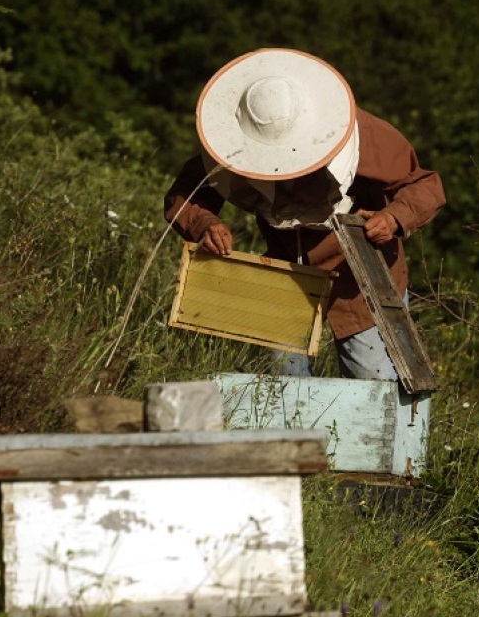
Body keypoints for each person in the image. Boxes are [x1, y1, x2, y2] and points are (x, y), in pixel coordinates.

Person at [164, 48, 445, 381]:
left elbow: (425, 185)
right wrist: (205, 223)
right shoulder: (229, 143)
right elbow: (186, 195)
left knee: (372, 387)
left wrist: (394, 218)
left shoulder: (361, 133)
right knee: (279, 388)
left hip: (359, 273)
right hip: (284, 271)